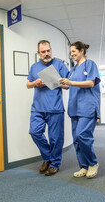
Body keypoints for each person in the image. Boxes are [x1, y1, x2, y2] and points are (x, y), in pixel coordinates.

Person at [27, 40, 69, 176]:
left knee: (56, 138)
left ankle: (55, 164)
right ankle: (48, 158)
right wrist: (35, 83)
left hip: (55, 107)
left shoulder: (59, 64)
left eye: (48, 50)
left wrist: (53, 82)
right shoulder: (34, 67)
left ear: (51, 50)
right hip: (38, 108)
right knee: (34, 132)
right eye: (43, 52)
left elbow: (68, 85)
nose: (46, 54)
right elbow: (28, 84)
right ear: (38, 53)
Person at [59, 41, 101, 179]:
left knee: (83, 135)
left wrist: (70, 82)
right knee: (77, 139)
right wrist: (59, 83)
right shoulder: (73, 69)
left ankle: (93, 163)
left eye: (73, 51)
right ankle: (83, 166)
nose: (72, 54)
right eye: (70, 52)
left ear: (82, 50)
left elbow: (90, 82)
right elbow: (69, 86)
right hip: (75, 108)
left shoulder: (90, 64)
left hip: (87, 107)